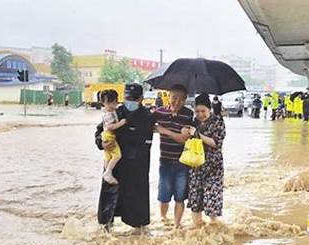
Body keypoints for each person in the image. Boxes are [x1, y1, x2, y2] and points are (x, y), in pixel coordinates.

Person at [94, 83, 154, 231]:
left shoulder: (147, 116)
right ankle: (105, 230)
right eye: (128, 98)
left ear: (141, 99)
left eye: (134, 99)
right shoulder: (116, 112)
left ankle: (139, 237)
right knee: (109, 204)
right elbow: (100, 131)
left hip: (138, 166)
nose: (130, 102)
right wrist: (101, 143)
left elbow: (155, 132)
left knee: (137, 210)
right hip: (116, 165)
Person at [153, 84, 194, 228]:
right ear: (168, 97)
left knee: (180, 196)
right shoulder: (158, 113)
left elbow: (183, 139)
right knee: (163, 196)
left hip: (183, 163)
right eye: (174, 98)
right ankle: (164, 220)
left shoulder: (188, 114)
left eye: (181, 99)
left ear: (185, 100)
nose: (177, 102)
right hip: (164, 162)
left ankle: (177, 226)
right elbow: (146, 126)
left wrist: (163, 130)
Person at [185, 93, 226, 227]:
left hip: (213, 166)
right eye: (197, 111)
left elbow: (215, 143)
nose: (200, 114)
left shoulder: (217, 122)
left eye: (203, 111)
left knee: (211, 196)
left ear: (210, 109)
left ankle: (214, 225)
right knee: (195, 196)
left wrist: (197, 134)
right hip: (196, 164)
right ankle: (197, 226)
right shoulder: (193, 122)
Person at [100, 89, 126, 185]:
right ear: (103, 103)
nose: (112, 105)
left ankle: (107, 173)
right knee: (116, 155)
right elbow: (105, 128)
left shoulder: (119, 110)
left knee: (108, 157)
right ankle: (108, 173)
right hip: (109, 137)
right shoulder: (107, 114)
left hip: (110, 137)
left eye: (114, 102)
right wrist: (101, 144)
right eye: (109, 102)